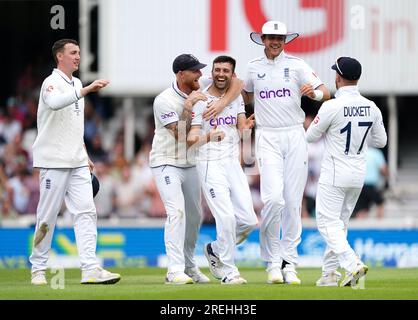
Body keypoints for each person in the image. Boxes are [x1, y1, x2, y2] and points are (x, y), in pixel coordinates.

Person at [242, 20, 331, 284]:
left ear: (285, 40)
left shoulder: (297, 65)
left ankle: (289, 263)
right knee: (272, 200)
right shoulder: (253, 68)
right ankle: (271, 262)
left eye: (279, 38)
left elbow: (325, 92)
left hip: (294, 134)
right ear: (263, 39)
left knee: (293, 203)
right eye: (270, 37)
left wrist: (311, 93)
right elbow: (245, 96)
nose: (275, 42)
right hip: (267, 135)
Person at [29, 39, 121, 285]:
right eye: (73, 53)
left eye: (79, 52)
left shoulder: (77, 82)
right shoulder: (51, 83)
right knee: (47, 216)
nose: (78, 56)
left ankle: (90, 268)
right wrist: (86, 90)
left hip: (77, 160)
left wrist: (85, 154)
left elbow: (74, 125)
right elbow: (56, 104)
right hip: (53, 161)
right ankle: (38, 269)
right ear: (60, 57)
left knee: (86, 212)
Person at [149, 54, 242, 284]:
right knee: (176, 212)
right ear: (181, 75)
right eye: (195, 71)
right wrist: (188, 107)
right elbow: (181, 136)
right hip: (166, 161)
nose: (201, 74)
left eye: (201, 70)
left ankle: (189, 266)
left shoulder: (199, 94)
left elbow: (238, 84)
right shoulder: (165, 100)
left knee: (194, 216)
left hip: (191, 162)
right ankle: (174, 270)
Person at [306, 57, 387, 287]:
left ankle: (352, 264)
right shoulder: (371, 106)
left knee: (326, 223)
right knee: (339, 225)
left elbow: (310, 137)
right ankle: (329, 274)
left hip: (334, 172)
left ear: (338, 78)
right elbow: (381, 141)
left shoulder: (331, 106)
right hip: (357, 174)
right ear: (357, 78)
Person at [187, 56, 258, 285]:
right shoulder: (201, 99)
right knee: (226, 217)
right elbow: (191, 138)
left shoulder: (236, 97)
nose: (220, 74)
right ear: (212, 72)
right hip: (209, 161)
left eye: (225, 70)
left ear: (232, 74)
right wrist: (209, 136)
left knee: (248, 220)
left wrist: (245, 128)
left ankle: (215, 249)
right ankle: (229, 271)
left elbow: (240, 126)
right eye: (217, 69)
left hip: (232, 162)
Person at [352, 147, 388, 219]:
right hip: (370, 185)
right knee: (380, 203)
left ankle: (360, 226)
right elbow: (383, 169)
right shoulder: (376, 153)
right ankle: (379, 224)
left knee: (362, 208)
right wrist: (387, 179)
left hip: (359, 185)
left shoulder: (358, 152)